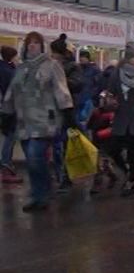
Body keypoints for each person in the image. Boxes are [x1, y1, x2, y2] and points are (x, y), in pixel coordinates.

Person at [0, 32, 76, 211]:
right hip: (24, 122)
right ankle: (39, 194)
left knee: (35, 156)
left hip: (45, 120)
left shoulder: (51, 65)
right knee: (32, 160)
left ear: (42, 46)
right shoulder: (21, 68)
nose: (32, 45)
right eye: (29, 43)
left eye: (36, 43)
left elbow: (61, 89)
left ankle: (42, 194)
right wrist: (6, 114)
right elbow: (12, 92)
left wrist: (67, 112)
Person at [103, 47, 134, 197]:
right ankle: (125, 172)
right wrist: (109, 101)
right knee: (113, 149)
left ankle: (131, 180)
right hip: (121, 116)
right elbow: (110, 93)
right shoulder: (116, 74)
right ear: (128, 59)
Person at [49, 34, 82, 194]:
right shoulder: (48, 66)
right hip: (51, 110)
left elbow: (78, 85)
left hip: (67, 110)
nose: (52, 55)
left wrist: (60, 80)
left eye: (54, 52)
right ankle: (59, 176)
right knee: (56, 145)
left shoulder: (71, 66)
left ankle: (65, 177)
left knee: (64, 144)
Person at [0, 45, 21, 184]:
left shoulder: (4, 68)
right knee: (10, 138)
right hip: (10, 109)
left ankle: (7, 167)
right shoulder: (9, 71)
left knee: (8, 137)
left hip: (5, 108)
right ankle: (6, 168)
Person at [76, 49, 102, 127]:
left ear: (88, 58)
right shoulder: (77, 68)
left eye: (83, 57)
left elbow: (98, 84)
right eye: (80, 58)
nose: (81, 59)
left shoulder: (94, 70)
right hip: (78, 99)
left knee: (86, 121)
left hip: (89, 99)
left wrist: (93, 96)